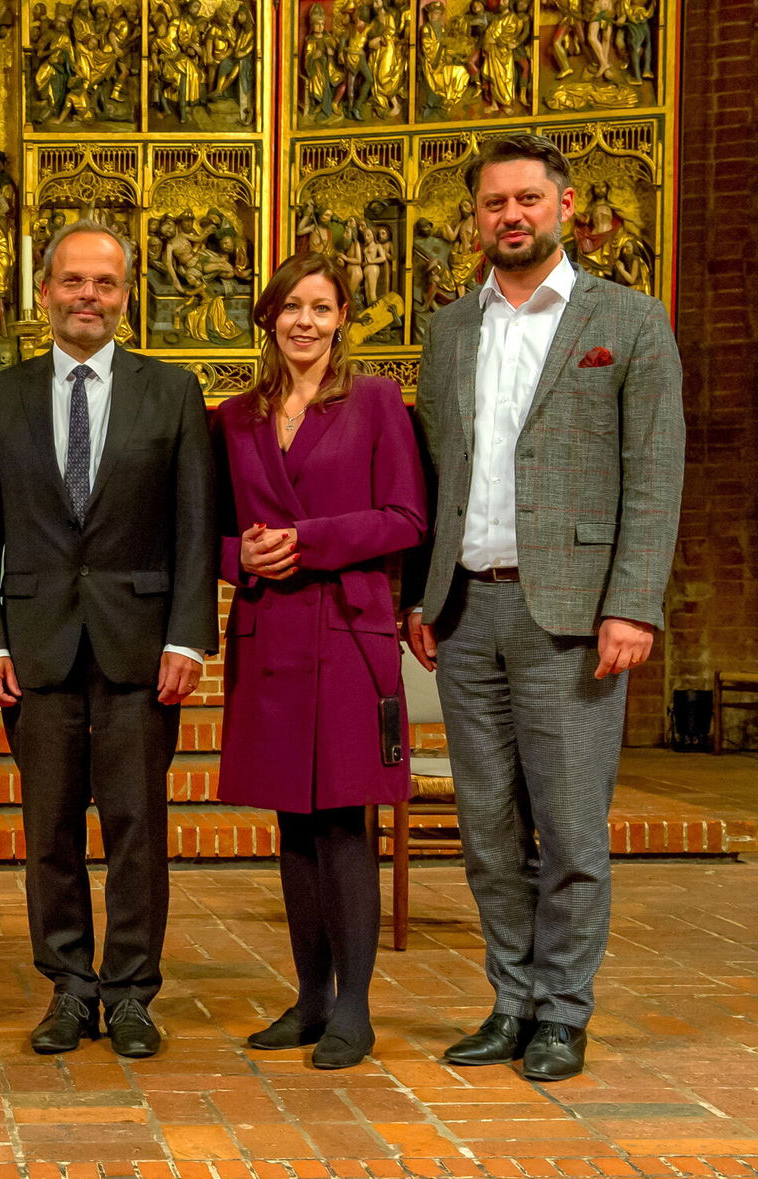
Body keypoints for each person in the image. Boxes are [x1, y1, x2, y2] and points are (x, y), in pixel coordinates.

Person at [405, 133, 684, 1083]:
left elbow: (653, 475)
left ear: (566, 206)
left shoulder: (630, 321)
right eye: (493, 203)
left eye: (528, 198)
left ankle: (563, 1011)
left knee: (568, 829)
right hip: (467, 609)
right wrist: (423, 595)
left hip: (570, 614)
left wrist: (633, 604)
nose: (511, 215)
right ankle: (511, 999)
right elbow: (437, 472)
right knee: (486, 829)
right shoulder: (449, 329)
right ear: (475, 218)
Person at [0, 220, 215, 1059]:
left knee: (137, 824)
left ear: (125, 295)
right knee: (49, 831)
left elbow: (194, 522)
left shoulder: (172, 390)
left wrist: (189, 636)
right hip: (33, 647)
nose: (88, 298)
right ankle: (70, 985)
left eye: (105, 284)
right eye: (73, 282)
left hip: (142, 647)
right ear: (44, 292)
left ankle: (133, 991)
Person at [212, 252, 426, 1069]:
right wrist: (244, 559)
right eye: (291, 307)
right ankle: (308, 997)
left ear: (343, 319)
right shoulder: (234, 417)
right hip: (271, 636)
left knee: (343, 821)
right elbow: (212, 533)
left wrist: (309, 542)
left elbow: (407, 516)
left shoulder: (375, 403)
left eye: (322, 307)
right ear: (268, 318)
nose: (305, 321)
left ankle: (356, 1008)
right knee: (292, 826)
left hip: (347, 632)